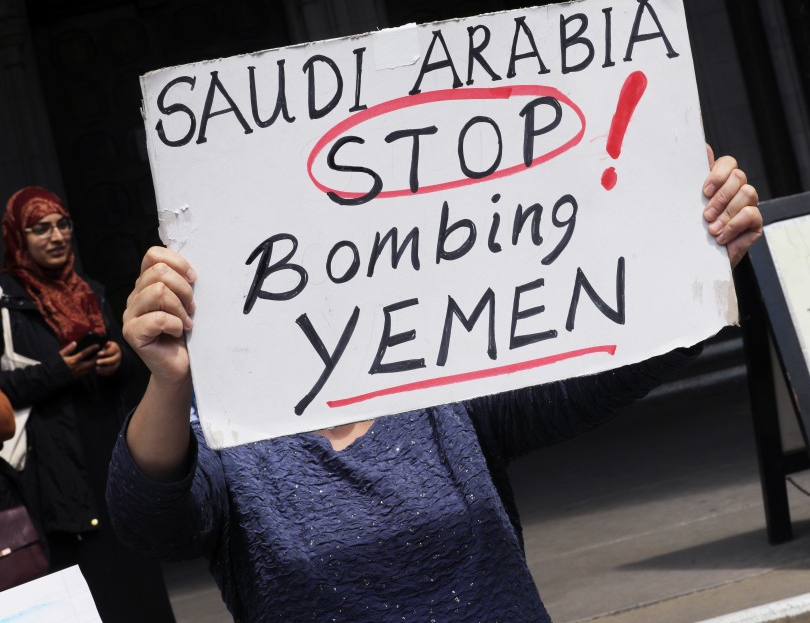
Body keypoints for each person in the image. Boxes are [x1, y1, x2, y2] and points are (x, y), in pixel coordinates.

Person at [106, 150, 762, 622]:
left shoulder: (440, 379)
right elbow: (151, 522)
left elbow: (587, 380)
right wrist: (169, 382)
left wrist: (694, 266)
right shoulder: (229, 431)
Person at [0, 187, 176, 621]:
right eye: (41, 228)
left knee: (137, 582)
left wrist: (118, 359)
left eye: (63, 225)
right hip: (52, 471)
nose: (57, 236)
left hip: (108, 453)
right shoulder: (6, 303)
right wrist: (60, 370)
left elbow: (133, 381)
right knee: (87, 591)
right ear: (17, 237)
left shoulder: (88, 290)